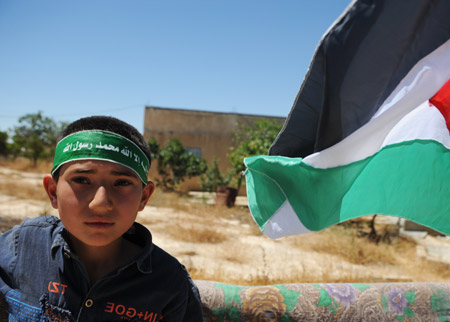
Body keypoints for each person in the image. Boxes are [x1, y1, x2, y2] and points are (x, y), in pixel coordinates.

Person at [0, 116, 205, 321]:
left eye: (122, 183)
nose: (100, 203)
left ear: (144, 197)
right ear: (52, 192)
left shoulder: (169, 281)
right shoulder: (22, 247)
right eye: (82, 180)